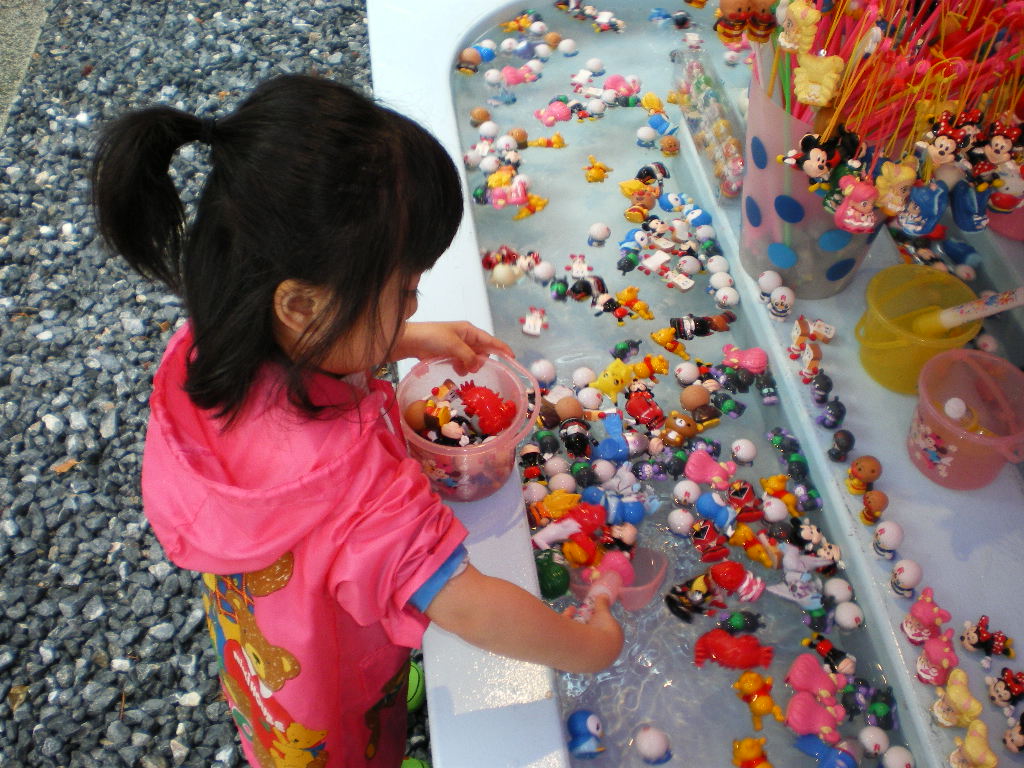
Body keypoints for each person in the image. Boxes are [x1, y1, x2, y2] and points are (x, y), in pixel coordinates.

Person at [91, 74, 623, 768]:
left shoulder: (205, 351)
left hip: (265, 649)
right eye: (404, 292)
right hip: (330, 718)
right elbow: (469, 606)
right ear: (301, 306)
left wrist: (406, 338)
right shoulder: (353, 487)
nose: (415, 305)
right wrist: (588, 646)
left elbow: (312, 348)